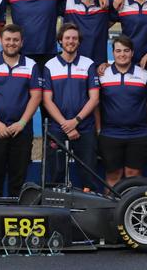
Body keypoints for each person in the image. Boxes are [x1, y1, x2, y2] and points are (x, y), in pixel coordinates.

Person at [0, 24, 42, 198]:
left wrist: (21, 123)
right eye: (8, 39)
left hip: (21, 131)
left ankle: (16, 217)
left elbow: (36, 96)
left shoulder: (31, 65)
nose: (11, 43)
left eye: (15, 40)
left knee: (18, 180)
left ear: (21, 42)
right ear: (1, 41)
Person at [43, 23, 100, 192]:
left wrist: (76, 121)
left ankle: (89, 212)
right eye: (67, 38)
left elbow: (94, 98)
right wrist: (66, 125)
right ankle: (54, 209)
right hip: (58, 128)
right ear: (60, 41)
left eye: (74, 38)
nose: (71, 41)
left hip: (84, 127)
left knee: (88, 174)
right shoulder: (50, 65)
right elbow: (47, 100)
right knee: (55, 173)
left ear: (79, 42)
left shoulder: (88, 64)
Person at [96, 35, 147, 188]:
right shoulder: (102, 75)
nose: (122, 54)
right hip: (110, 134)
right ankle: (110, 212)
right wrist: (98, 129)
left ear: (132, 53)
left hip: (139, 134)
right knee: (113, 176)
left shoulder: (143, 74)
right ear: (113, 53)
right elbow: (96, 104)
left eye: (126, 50)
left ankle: (133, 211)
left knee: (133, 176)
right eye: (118, 51)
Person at [63, 0, 113, 66]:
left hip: (98, 63)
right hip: (74, 63)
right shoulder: (68, 3)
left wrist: (102, 27)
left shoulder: (105, 5)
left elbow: (119, 13)